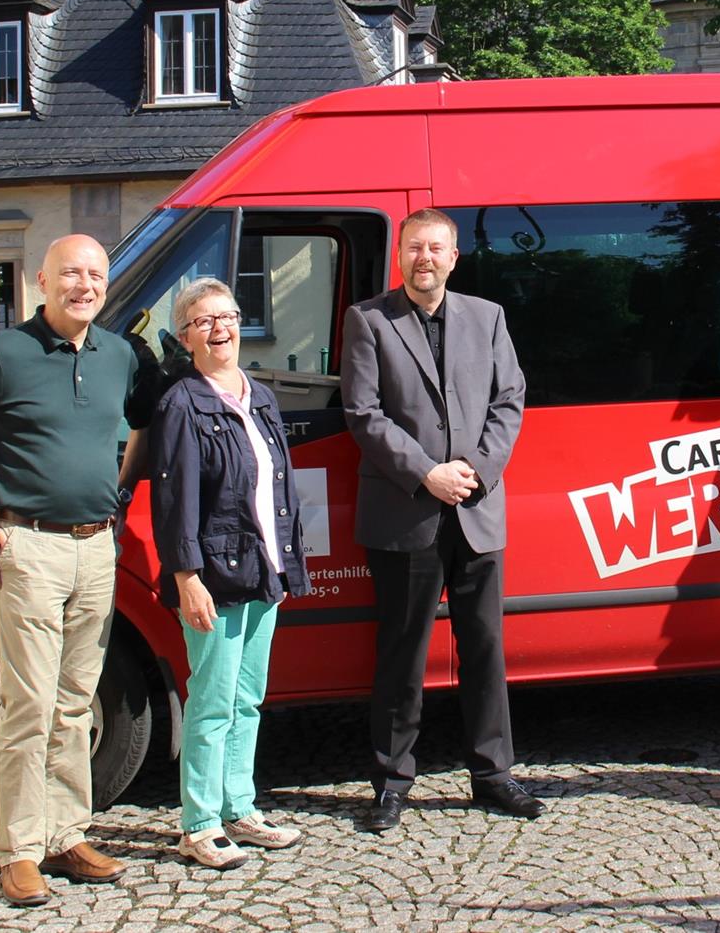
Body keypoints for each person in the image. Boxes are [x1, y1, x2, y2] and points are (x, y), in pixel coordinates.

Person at [0, 234, 154, 906]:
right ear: (42, 278)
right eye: (71, 272)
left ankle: (67, 832)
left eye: (96, 274)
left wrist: (121, 489)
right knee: (29, 702)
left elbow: (144, 423)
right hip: (30, 547)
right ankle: (17, 849)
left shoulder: (119, 356)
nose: (84, 284)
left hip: (96, 548)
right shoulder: (2, 355)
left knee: (77, 701)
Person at [340, 207, 537, 832]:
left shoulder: (489, 317)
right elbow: (363, 412)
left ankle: (493, 775)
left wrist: (474, 468)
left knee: (485, 649)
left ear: (454, 257)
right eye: (414, 248)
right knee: (402, 654)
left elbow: (510, 400)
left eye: (436, 248)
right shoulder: (368, 320)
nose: (424, 258)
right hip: (406, 510)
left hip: (476, 508)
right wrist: (427, 471)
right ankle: (392, 781)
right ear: (400, 256)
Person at [150, 279, 311, 869]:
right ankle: (199, 823)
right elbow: (175, 501)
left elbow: (281, 489)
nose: (220, 327)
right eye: (204, 320)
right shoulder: (181, 403)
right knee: (212, 701)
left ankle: (239, 808)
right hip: (214, 574)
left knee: (248, 699)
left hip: (264, 567)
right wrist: (186, 576)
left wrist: (288, 561)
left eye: (229, 316)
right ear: (187, 336)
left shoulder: (260, 396)